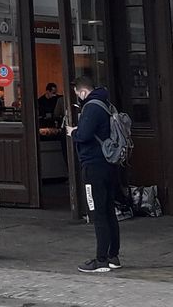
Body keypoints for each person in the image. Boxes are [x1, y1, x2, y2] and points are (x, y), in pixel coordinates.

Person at [68, 78, 120, 274]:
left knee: (97, 212)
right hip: (109, 163)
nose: (78, 98)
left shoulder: (91, 107)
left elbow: (84, 135)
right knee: (109, 210)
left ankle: (101, 259)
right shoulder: (106, 104)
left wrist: (73, 132)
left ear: (82, 92)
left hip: (93, 165)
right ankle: (113, 255)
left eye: (77, 94)